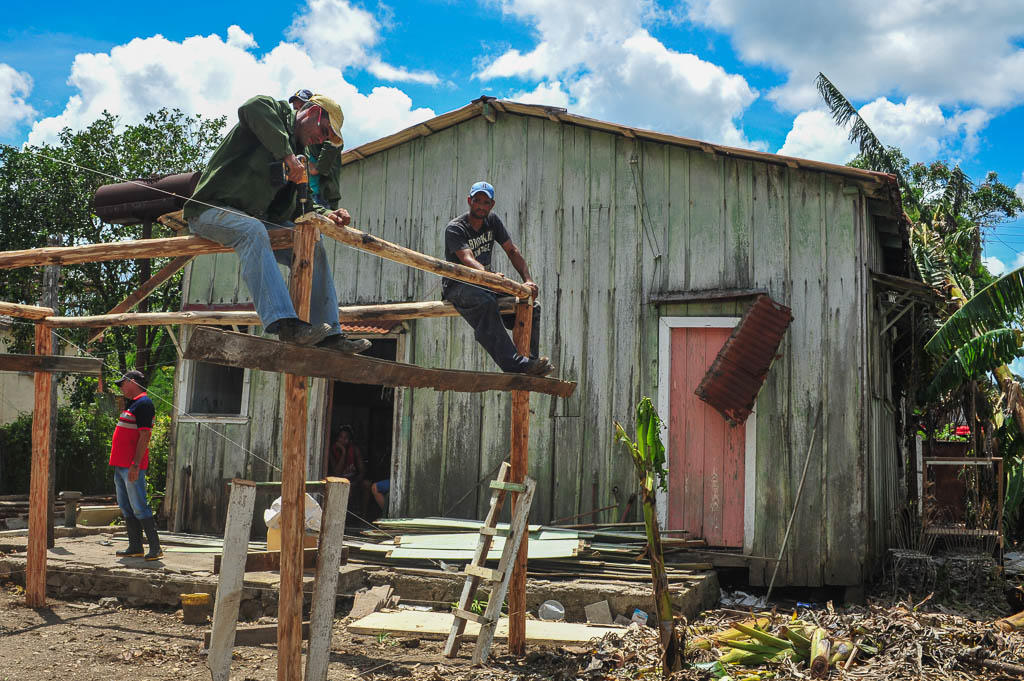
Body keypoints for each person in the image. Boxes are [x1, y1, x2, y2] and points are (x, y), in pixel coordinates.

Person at [184, 93, 370, 354]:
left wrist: (327, 214)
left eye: (327, 138)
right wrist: (286, 156)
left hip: (254, 218)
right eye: (324, 131)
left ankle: (329, 334)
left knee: (311, 243)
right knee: (251, 230)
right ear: (313, 113)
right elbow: (250, 106)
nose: (321, 139)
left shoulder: (298, 155)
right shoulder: (270, 110)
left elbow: (296, 206)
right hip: (209, 211)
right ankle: (285, 324)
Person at [442, 181, 553, 376]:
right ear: (470, 201)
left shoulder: (492, 221)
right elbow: (467, 259)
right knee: (484, 302)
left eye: (486, 202)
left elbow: (512, 250)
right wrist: (490, 277)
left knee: (531, 305)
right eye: (477, 201)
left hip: (486, 283)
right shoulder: (455, 228)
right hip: (458, 286)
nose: (481, 206)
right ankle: (515, 364)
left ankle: (532, 363)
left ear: (491, 205)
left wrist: (527, 280)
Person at [109, 370, 162, 561]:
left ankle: (155, 548)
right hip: (121, 465)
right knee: (126, 506)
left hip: (131, 466)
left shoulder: (144, 403)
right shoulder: (134, 404)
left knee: (139, 506)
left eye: (123, 383)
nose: (121, 387)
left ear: (133, 381)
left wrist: (136, 464)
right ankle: (135, 546)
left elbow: (145, 436)